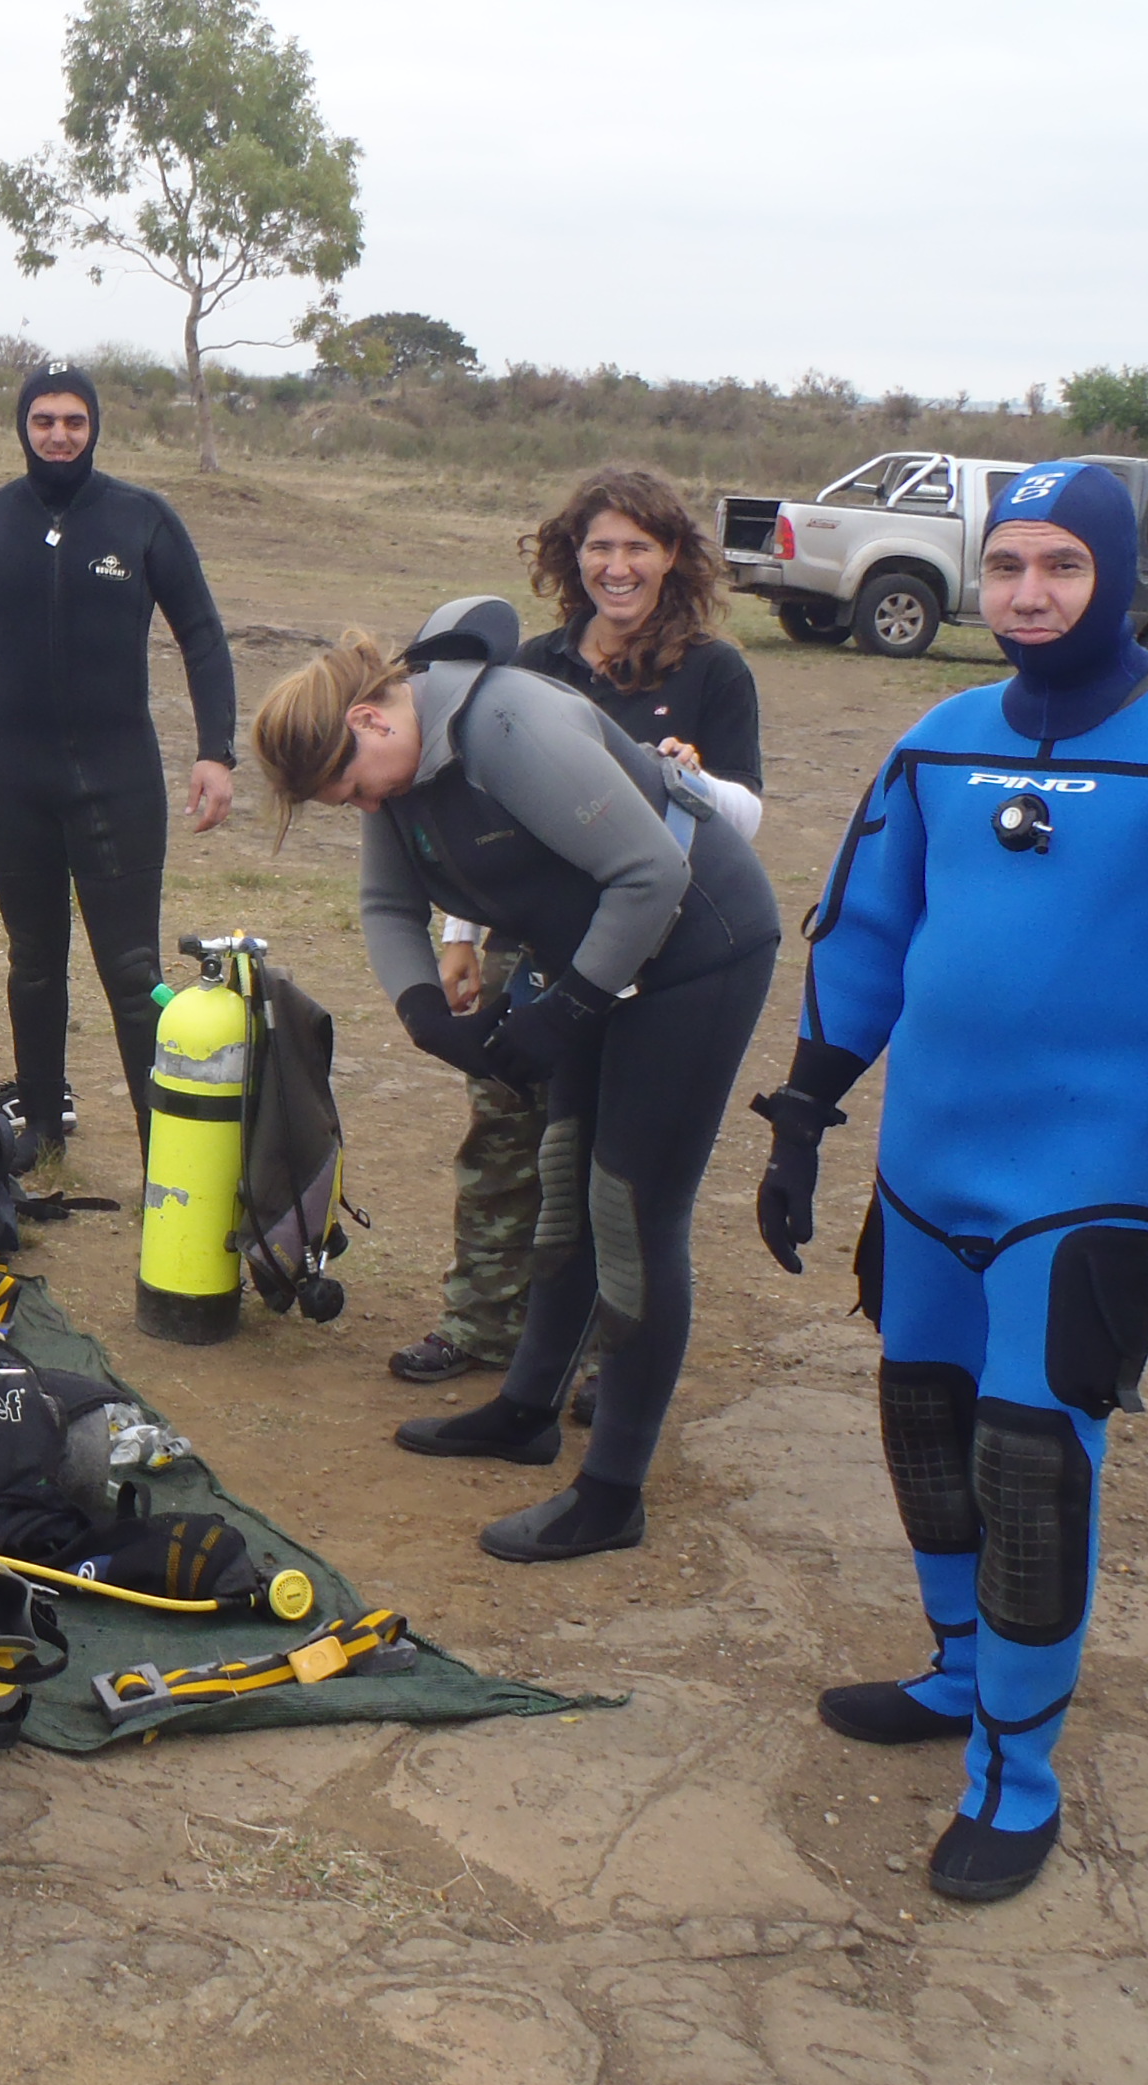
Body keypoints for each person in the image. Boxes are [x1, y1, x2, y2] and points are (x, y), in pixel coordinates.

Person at [750, 461, 1148, 1903]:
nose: (1028, 593)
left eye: (1062, 568)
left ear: (1116, 576)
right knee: (925, 1428)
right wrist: (802, 1116)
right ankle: (963, 1675)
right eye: (1008, 563)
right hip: (924, 1163)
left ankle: (1016, 1775)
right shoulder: (939, 742)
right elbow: (866, 935)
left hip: (1078, 1184)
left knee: (1032, 1465)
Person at [250, 596, 778, 1561]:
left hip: (700, 951)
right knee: (566, 1188)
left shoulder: (505, 724)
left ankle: (613, 1490)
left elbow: (651, 875)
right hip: (599, 962)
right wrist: (423, 1018)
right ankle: (529, 1410)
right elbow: (385, 902)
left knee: (632, 1209)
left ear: (369, 721)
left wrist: (567, 1008)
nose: (363, 807)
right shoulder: (399, 770)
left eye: (352, 788)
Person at [395, 467, 765, 1395]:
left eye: (638, 546)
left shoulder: (713, 672)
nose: (618, 566)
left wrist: (690, 781)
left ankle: (606, 1357)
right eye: (600, 546)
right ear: (572, 557)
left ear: (673, 556)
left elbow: (745, 819)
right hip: (535, 928)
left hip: (656, 935)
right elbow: (472, 811)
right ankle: (480, 1319)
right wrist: (457, 935)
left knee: (612, 1157)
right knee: (507, 1136)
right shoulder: (531, 666)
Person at [0, 359, 235, 1152]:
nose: (59, 435)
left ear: (94, 426)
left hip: (118, 777)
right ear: (23, 427)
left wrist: (217, 751)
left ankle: (166, 1147)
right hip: (11, 775)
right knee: (34, 962)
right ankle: (40, 1126)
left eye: (74, 420)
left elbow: (203, 637)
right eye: (45, 421)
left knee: (135, 973)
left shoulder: (142, 519)